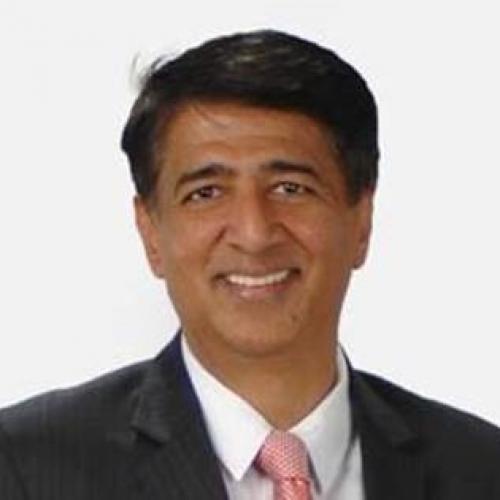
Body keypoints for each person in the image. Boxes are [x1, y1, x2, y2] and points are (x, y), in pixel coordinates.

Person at [1, 29, 499, 500]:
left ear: (361, 221)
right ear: (150, 232)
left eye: (291, 188)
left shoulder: (480, 468)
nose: (254, 234)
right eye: (206, 193)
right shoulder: (26, 469)